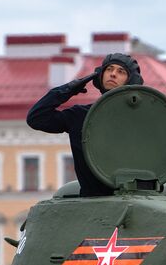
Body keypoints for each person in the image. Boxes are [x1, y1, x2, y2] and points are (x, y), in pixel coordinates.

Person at [26, 53, 144, 197]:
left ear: (131, 80)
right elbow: (36, 118)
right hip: (91, 197)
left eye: (121, 71)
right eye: (109, 69)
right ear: (100, 75)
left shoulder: (140, 120)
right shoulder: (80, 116)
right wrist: (68, 89)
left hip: (133, 197)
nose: (113, 74)